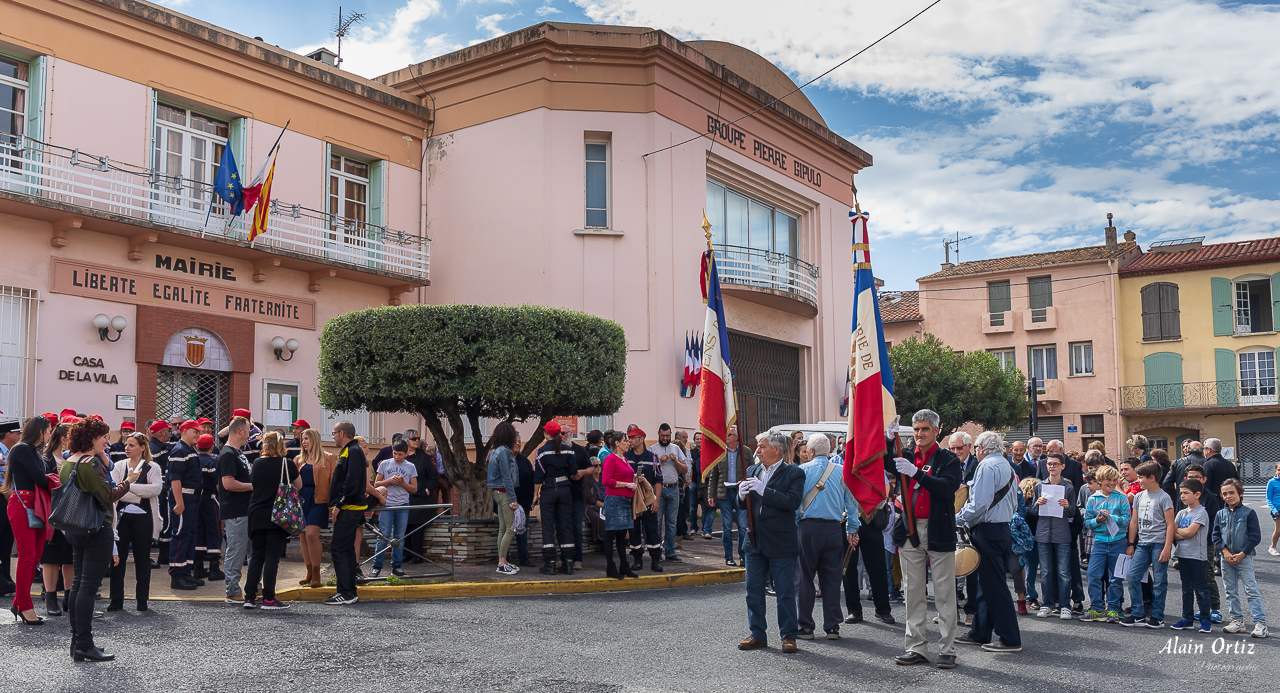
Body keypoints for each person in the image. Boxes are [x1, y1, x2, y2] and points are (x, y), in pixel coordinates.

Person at [61, 417, 140, 661]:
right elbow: (109, 496)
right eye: (104, 437)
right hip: (96, 528)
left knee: (78, 585)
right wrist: (130, 481)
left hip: (74, 527)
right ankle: (84, 643)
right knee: (88, 587)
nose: (108, 441)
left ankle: (78, 642)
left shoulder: (69, 461)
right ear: (92, 439)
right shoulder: (90, 463)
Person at [891, 410, 962, 668]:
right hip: (910, 528)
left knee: (944, 593)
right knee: (912, 592)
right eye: (916, 429)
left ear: (936, 431)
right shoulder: (906, 454)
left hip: (938, 529)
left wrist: (917, 473)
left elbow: (946, 488)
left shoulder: (948, 459)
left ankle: (947, 648)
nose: (919, 434)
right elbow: (888, 463)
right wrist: (890, 440)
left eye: (924, 429)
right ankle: (916, 646)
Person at [737, 430, 806, 654]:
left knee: (784, 591)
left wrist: (764, 490)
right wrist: (740, 495)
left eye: (762, 446)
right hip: (754, 539)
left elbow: (793, 502)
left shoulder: (794, 473)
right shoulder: (751, 470)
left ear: (777, 450)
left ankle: (788, 635)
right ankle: (757, 633)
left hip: (781, 540)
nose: (757, 450)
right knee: (753, 590)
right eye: (758, 446)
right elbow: (744, 505)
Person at [955, 430, 1022, 655]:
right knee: (987, 584)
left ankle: (1009, 637)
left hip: (988, 530)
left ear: (981, 449)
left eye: (976, 448)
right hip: (1001, 529)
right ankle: (980, 632)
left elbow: (979, 504)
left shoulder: (985, 466)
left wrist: (957, 518)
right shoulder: (1007, 466)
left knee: (995, 587)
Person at [794, 433, 860, 640]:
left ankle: (805, 626)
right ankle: (832, 626)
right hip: (833, 529)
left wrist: (795, 523)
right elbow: (852, 504)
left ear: (811, 452)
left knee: (804, 577)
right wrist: (852, 529)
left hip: (807, 529)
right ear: (829, 450)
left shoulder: (801, 471)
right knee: (831, 578)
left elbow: (795, 504)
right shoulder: (841, 472)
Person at [242, 431, 301, 610]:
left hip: (256, 513)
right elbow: (299, 486)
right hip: (277, 514)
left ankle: (250, 597)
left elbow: (254, 485)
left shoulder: (258, 463)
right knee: (272, 558)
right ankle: (269, 599)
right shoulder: (287, 463)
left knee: (256, 556)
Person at [3, 416, 52, 624]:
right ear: (40, 431)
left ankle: (19, 602)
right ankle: (24, 606)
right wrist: (55, 478)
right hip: (24, 504)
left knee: (35, 555)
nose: (50, 434)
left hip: (34, 504)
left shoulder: (31, 450)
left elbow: (42, 478)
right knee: (28, 555)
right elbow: (40, 478)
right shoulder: (23, 449)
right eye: (49, 430)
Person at [108, 432, 162, 613]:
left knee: (143, 559)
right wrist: (136, 489)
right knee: (117, 559)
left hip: (143, 518)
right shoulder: (118, 465)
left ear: (142, 448)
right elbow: (114, 489)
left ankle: (142, 600)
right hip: (121, 518)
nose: (127, 448)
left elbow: (155, 489)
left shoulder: (152, 467)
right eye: (126, 444)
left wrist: (128, 486)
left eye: (131, 445)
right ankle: (116, 600)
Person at [1120, 461, 1174, 628]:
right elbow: (1134, 521)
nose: (1139, 480)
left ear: (1152, 478)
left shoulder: (1164, 497)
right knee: (1132, 576)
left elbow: (1170, 524)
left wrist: (1167, 548)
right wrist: (1131, 543)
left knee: (1159, 581)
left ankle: (1158, 616)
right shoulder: (1138, 496)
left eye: (1142, 477)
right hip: (1142, 544)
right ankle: (1138, 614)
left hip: (1159, 544)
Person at [1213, 479, 1267, 638]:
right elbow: (1215, 535)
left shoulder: (1249, 513)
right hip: (1226, 558)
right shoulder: (1220, 514)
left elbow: (1255, 537)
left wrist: (1242, 553)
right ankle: (1237, 620)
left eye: (1232, 493)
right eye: (1225, 494)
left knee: (1251, 589)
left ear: (1240, 494)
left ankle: (1260, 623)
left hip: (1244, 557)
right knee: (1230, 590)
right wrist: (1225, 552)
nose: (1228, 496)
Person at [1079, 465, 1129, 623]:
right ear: (1099, 481)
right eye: (1108, 480)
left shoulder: (1121, 497)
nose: (1112, 483)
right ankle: (1097, 608)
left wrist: (1113, 518)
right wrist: (1097, 520)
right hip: (1100, 542)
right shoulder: (1093, 499)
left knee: (1115, 578)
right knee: (1093, 574)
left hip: (1118, 541)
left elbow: (1128, 520)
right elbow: (1087, 522)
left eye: (1115, 480)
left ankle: (1113, 609)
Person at [326, 420, 367, 605]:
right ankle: (350, 591)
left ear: (342, 433)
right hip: (350, 507)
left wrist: (338, 504)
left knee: (338, 548)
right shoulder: (350, 450)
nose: (333, 436)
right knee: (347, 549)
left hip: (349, 508)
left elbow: (352, 482)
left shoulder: (353, 450)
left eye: (334, 433)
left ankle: (345, 592)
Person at [1030, 452, 1075, 620]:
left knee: (1063, 572)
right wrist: (1036, 504)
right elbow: (1033, 512)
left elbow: (1072, 513)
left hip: (1061, 532)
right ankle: (1047, 604)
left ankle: (1065, 606)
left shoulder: (1068, 487)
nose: (1052, 467)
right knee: (1045, 572)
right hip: (1043, 532)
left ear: (1062, 466)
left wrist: (1067, 506)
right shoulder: (1039, 486)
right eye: (1049, 464)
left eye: (1055, 464)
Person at [532, 421, 579, 575]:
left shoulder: (541, 451)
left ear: (547, 434)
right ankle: (568, 563)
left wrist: (535, 495)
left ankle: (550, 563)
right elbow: (573, 471)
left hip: (549, 490)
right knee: (566, 525)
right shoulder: (568, 450)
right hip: (565, 489)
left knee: (547, 526)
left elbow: (538, 476)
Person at [37, 422, 74, 617]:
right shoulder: (46, 459)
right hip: (52, 513)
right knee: (51, 558)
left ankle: (69, 597)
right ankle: (51, 597)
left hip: (71, 513)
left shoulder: (73, 458)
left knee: (70, 558)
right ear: (63, 439)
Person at [217, 416, 254, 603]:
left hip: (244, 510)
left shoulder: (237, 453)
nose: (249, 435)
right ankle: (232, 590)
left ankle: (254, 587)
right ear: (240, 431)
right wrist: (253, 486)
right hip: (236, 511)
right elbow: (228, 483)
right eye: (248, 431)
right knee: (236, 551)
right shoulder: (229, 454)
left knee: (250, 550)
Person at [706, 426, 754, 565]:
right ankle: (728, 557)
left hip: (741, 493)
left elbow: (752, 471)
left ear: (736, 437)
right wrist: (711, 494)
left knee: (742, 526)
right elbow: (713, 476)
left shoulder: (746, 451)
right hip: (724, 493)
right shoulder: (720, 452)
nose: (726, 436)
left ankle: (743, 556)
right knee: (726, 527)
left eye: (729, 434)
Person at [371, 439, 418, 578]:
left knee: (399, 537)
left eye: (400, 454)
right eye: (395, 453)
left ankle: (396, 566)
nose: (397, 457)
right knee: (383, 536)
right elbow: (376, 484)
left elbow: (414, 488)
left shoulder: (411, 467)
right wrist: (389, 481)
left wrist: (403, 483)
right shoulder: (385, 464)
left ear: (406, 453)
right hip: (387, 504)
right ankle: (376, 566)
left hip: (403, 504)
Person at [166, 420, 204, 590]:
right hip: (184, 499)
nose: (198, 434)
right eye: (195, 431)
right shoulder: (179, 450)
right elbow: (175, 479)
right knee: (180, 535)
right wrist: (179, 502)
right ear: (185, 431)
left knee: (189, 535)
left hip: (192, 499)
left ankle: (186, 572)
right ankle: (176, 574)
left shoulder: (189, 450)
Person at [294, 428, 334, 588]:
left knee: (311, 534)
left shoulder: (328, 458)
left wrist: (334, 503)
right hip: (302, 499)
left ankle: (317, 573)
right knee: (303, 537)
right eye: (302, 439)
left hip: (320, 499)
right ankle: (309, 571)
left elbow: (333, 481)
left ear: (314, 440)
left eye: (307, 439)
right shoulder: (298, 459)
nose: (303, 442)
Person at [1171, 479, 1212, 633]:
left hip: (1197, 556)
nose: (1182, 496)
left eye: (1186, 493)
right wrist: (1184, 532)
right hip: (1183, 555)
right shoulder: (1181, 513)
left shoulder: (1201, 512)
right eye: (1181, 493)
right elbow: (1173, 532)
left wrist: (1182, 531)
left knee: (1201, 589)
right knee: (1186, 588)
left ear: (1197, 494)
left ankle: (1205, 620)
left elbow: (1188, 532)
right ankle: (1187, 618)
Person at [622, 426, 664, 573]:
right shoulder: (626, 457)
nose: (630, 441)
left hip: (647, 498)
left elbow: (658, 480)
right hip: (632, 499)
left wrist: (656, 500)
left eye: (633, 438)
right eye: (629, 439)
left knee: (652, 529)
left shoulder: (653, 457)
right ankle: (637, 559)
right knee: (633, 529)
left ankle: (655, 560)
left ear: (641, 439)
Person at [601, 430, 640, 579]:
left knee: (623, 534)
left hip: (625, 499)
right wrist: (627, 484)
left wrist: (636, 478)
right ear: (616, 443)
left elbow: (625, 475)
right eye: (625, 441)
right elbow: (606, 481)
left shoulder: (623, 458)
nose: (628, 443)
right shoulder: (611, 458)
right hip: (615, 500)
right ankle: (610, 567)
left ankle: (624, 565)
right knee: (611, 533)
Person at [649, 423, 688, 563]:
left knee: (672, 522)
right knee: (657, 521)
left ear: (671, 434)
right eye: (662, 435)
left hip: (673, 488)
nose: (665, 438)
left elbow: (685, 469)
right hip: (658, 489)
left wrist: (675, 461)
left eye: (667, 435)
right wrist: (659, 461)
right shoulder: (652, 449)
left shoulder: (676, 448)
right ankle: (657, 550)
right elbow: (647, 470)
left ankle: (670, 551)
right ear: (658, 434)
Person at [487, 422, 520, 575]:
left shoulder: (494, 451)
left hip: (497, 492)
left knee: (503, 528)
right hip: (505, 493)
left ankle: (503, 561)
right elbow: (506, 476)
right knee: (510, 528)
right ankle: (501, 563)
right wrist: (513, 498)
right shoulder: (505, 452)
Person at [401, 429, 436, 566]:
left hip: (420, 496)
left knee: (416, 525)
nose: (417, 441)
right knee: (404, 525)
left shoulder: (424, 457)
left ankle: (416, 554)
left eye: (418, 438)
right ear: (406, 440)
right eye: (413, 439)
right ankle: (406, 553)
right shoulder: (402, 456)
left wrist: (427, 489)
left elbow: (432, 476)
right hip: (404, 495)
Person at [192, 433, 223, 582]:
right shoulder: (213, 462)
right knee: (214, 530)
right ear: (212, 447)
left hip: (196, 499)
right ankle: (214, 567)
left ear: (198, 447)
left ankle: (198, 566)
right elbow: (217, 484)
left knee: (199, 531)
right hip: (211, 499)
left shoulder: (194, 460)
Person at [147, 420, 173, 568]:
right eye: (168, 431)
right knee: (158, 520)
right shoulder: (154, 449)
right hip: (159, 490)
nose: (170, 433)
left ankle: (164, 554)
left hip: (161, 490)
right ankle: (159, 554)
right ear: (163, 432)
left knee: (163, 520)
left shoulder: (159, 447)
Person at [1268, 462, 1280, 557]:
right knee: (1278, 530)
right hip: (1277, 509)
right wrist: (1273, 509)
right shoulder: (1271, 482)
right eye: (1279, 469)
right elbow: (1268, 498)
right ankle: (1273, 547)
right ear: (1275, 470)